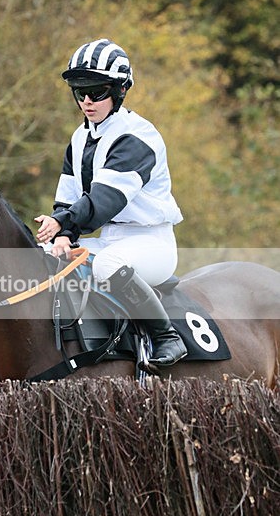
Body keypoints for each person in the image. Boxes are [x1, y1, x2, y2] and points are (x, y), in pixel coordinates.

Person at [34, 38, 187, 369]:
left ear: (119, 91)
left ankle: (166, 338)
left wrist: (63, 223)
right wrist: (63, 236)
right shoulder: (79, 138)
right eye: (79, 92)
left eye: (97, 92)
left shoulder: (137, 137)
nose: (87, 101)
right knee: (41, 258)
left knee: (105, 266)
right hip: (109, 241)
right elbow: (68, 196)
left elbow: (106, 201)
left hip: (151, 242)